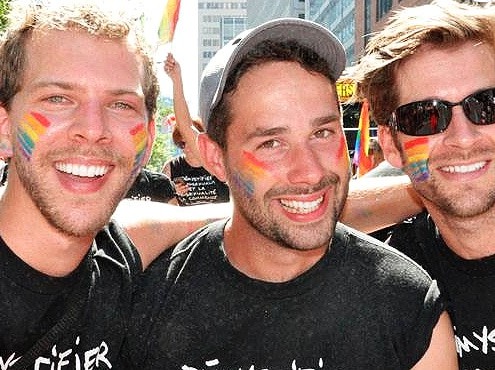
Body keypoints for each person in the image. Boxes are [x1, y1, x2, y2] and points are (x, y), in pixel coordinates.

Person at [126, 18, 457, 369]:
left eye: (323, 133)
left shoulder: (406, 303)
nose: (310, 171)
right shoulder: (152, 300)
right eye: (271, 143)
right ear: (215, 158)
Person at [0, 1, 214, 367]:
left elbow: (246, 214)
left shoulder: (118, 254)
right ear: (4, 129)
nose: (94, 130)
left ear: (148, 139)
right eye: (58, 98)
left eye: (121, 105)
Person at [353, 1, 495, 368]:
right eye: (426, 117)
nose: (463, 138)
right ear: (390, 146)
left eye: (488, 105)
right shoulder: (382, 286)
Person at [162, 53, 230, 206]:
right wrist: (176, 80)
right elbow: (185, 125)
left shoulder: (220, 164)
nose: (187, 148)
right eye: (181, 144)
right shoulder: (173, 167)